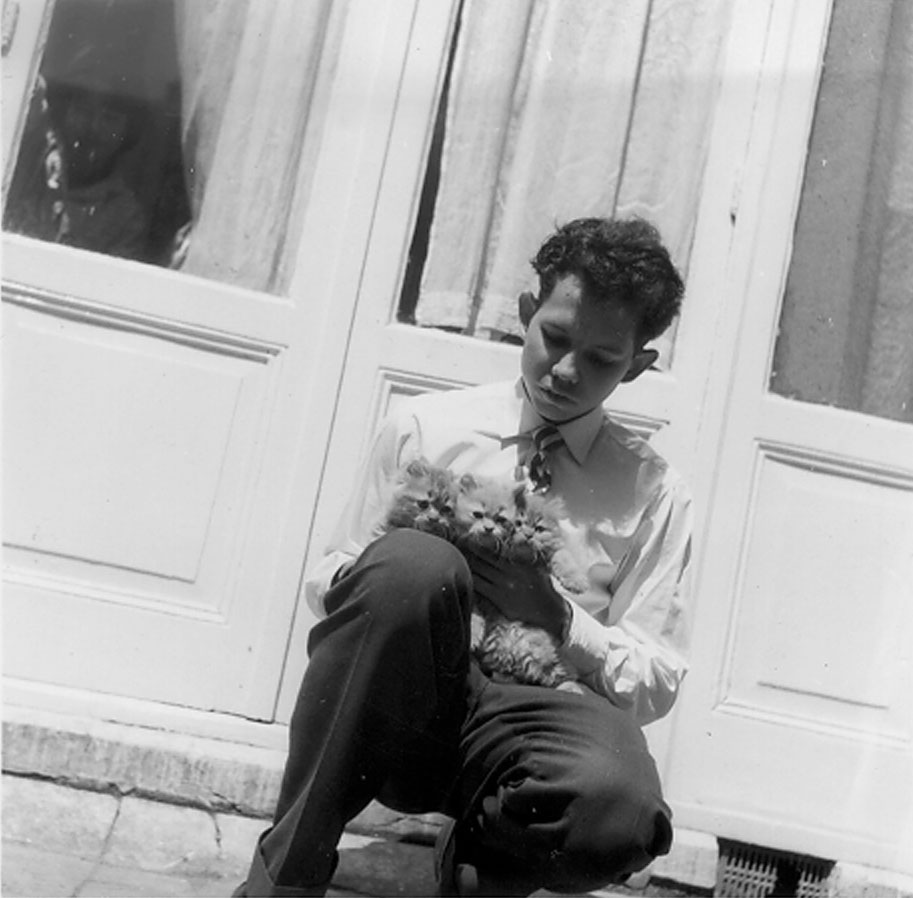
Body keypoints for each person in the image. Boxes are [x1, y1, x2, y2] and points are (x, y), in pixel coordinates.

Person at [236, 216, 692, 896]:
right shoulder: (427, 427)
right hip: (402, 706)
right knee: (410, 566)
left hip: (535, 716)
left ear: (637, 364)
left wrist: (558, 618)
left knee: (619, 813)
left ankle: (483, 858)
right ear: (527, 313)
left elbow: (655, 679)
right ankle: (288, 875)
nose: (565, 371)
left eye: (600, 359)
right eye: (555, 338)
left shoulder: (653, 491)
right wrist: (410, 572)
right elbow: (328, 576)